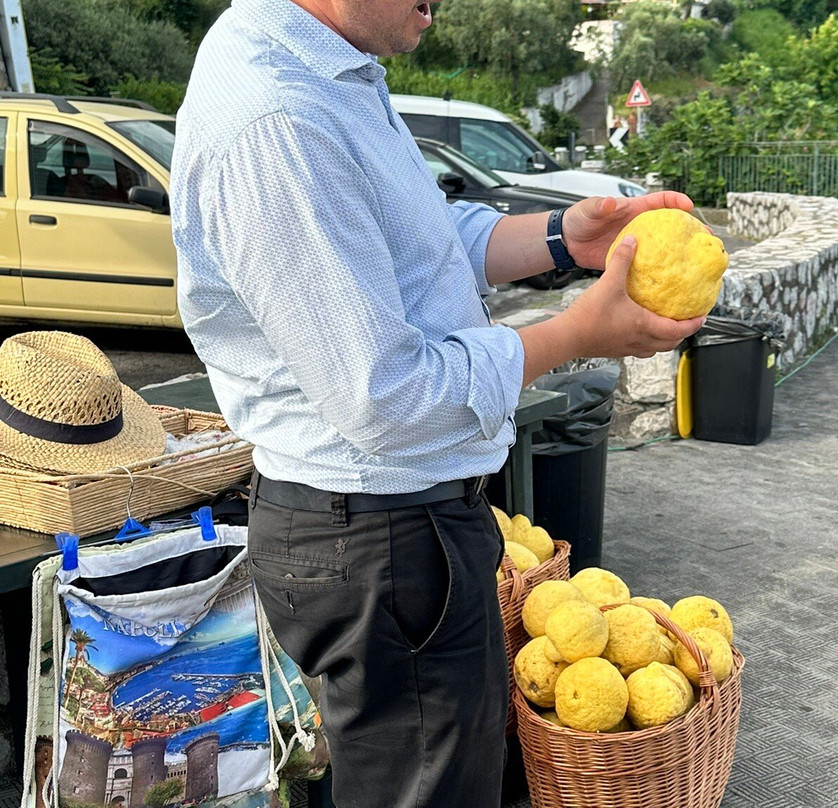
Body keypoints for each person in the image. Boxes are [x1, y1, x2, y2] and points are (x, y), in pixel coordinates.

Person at [170, 0, 705, 805]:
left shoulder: (327, 66)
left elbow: (419, 242)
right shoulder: (278, 118)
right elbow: (384, 395)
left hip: (385, 531)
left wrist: (564, 237)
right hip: (380, 537)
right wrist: (578, 335)